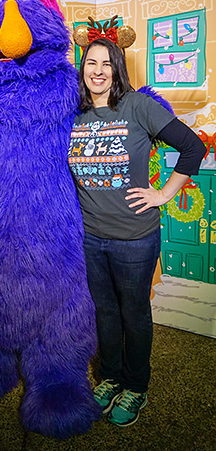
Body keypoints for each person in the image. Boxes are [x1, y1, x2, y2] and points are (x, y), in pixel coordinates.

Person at [68, 37, 206, 427]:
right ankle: (110, 378)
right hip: (90, 237)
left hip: (134, 238)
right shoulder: (73, 116)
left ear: (118, 69)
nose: (97, 71)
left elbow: (193, 148)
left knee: (134, 315)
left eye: (106, 64)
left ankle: (136, 386)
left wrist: (163, 193)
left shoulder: (137, 107)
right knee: (105, 313)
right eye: (90, 63)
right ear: (82, 68)